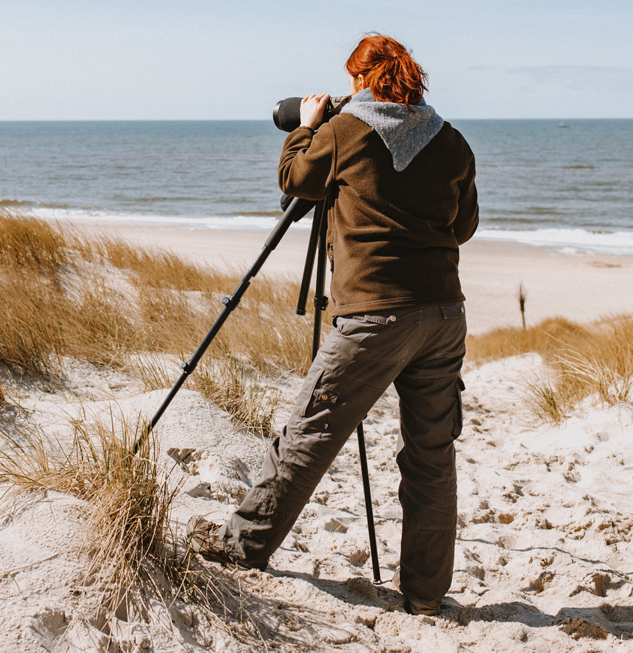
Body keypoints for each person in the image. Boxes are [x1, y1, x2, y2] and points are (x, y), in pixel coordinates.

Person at [188, 33, 479, 617]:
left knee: (310, 432)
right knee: (431, 453)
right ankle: (425, 594)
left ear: (361, 81)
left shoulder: (345, 132)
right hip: (444, 315)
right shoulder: (452, 141)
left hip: (373, 314)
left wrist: (309, 124)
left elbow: (295, 178)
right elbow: (463, 225)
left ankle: (243, 545)